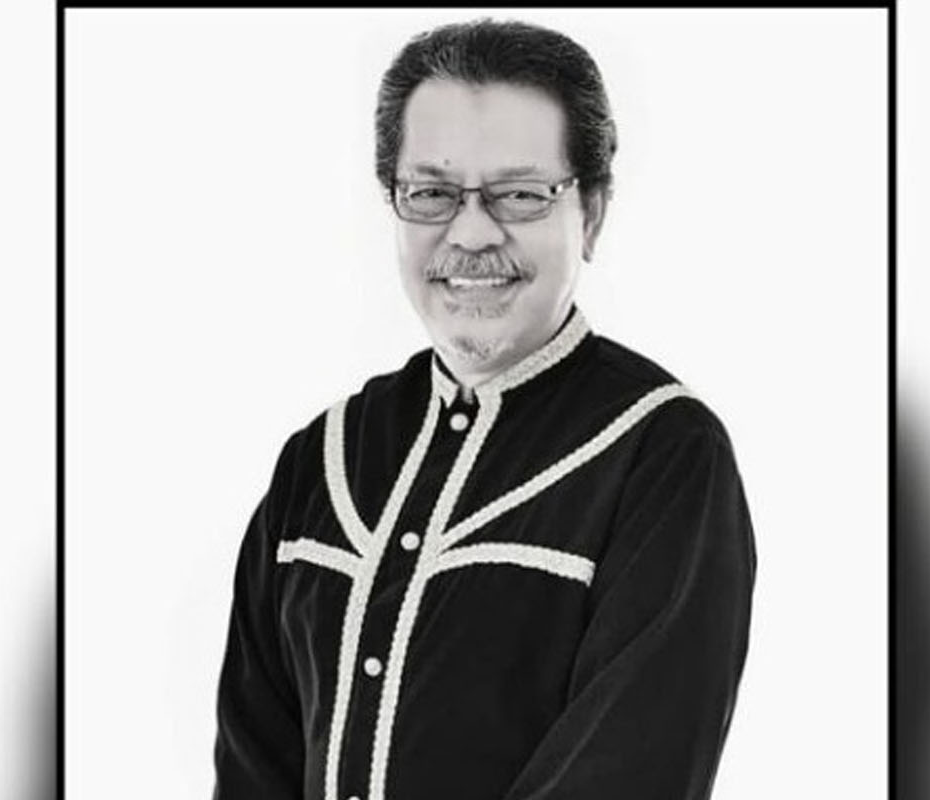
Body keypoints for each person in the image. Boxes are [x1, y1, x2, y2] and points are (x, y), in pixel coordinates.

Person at [213, 18, 756, 800]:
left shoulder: (661, 452)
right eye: (432, 193)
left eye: (521, 195)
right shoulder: (320, 459)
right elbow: (251, 770)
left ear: (592, 212)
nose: (470, 232)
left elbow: (628, 775)